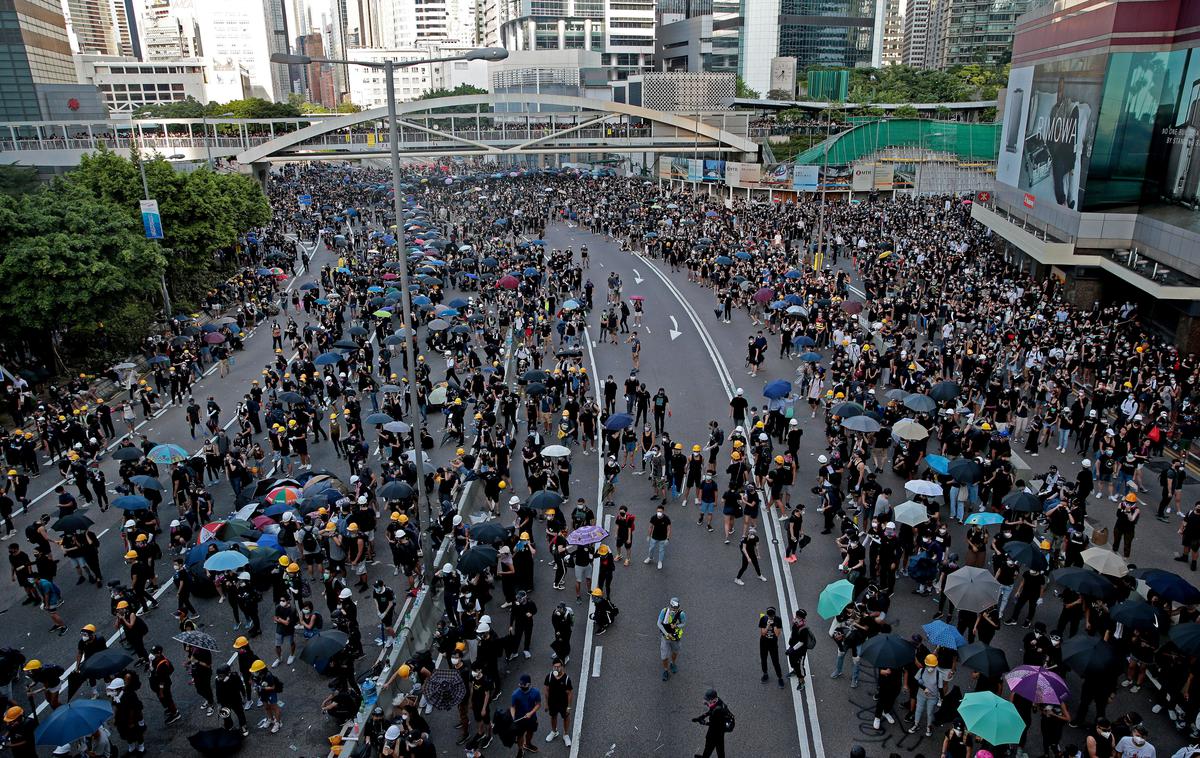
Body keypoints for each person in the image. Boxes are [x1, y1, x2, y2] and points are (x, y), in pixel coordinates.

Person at [907, 654, 947, 738]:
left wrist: (942, 699)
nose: (930, 667)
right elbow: (915, 681)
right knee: (918, 710)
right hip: (921, 695)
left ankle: (928, 727)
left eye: (932, 666)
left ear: (936, 665)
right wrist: (923, 687)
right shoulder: (921, 671)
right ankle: (916, 724)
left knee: (929, 713)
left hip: (932, 697)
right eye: (928, 665)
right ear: (925, 664)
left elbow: (940, 688)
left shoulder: (938, 675)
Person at [691, 688, 732, 758]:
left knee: (709, 746)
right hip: (721, 730)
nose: (706, 701)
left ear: (712, 700)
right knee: (720, 747)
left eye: (707, 700)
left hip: (715, 732)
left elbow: (713, 724)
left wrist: (703, 722)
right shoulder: (718, 701)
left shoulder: (717, 711)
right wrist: (702, 716)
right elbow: (711, 711)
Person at [542, 658, 573, 747]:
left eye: (558, 667)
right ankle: (554, 731)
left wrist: (569, 707)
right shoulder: (549, 676)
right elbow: (546, 690)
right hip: (553, 702)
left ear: (562, 667)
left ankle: (566, 734)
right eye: (555, 667)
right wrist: (547, 704)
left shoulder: (566, 679)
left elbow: (570, 693)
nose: (557, 669)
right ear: (553, 667)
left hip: (563, 703)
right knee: (553, 717)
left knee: (566, 718)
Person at [509, 673, 541, 757]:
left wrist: (531, 713)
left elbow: (538, 704)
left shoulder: (536, 692)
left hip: (531, 718)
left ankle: (528, 744)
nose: (521, 686)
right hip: (519, 719)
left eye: (524, 684)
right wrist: (512, 717)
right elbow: (512, 707)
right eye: (520, 684)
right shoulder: (515, 694)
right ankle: (520, 750)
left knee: (530, 732)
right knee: (520, 736)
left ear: (529, 684)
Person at [785, 608, 816, 690]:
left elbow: (802, 642)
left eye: (798, 616)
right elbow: (793, 634)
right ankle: (795, 671)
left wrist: (791, 649)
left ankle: (801, 682)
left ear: (802, 618)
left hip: (800, 652)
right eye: (796, 615)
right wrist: (790, 646)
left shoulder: (804, 629)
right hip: (793, 648)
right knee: (792, 662)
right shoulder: (795, 624)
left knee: (800, 667)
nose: (796, 617)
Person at [657, 597, 686, 681]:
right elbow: (659, 623)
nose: (674, 609)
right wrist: (666, 634)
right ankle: (666, 670)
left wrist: (676, 626)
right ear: (670, 606)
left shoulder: (681, 614)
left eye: (676, 608)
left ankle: (672, 663)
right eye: (673, 607)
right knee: (664, 656)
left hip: (676, 638)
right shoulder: (664, 611)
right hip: (666, 638)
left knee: (675, 652)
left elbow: (684, 623)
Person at [758, 606, 785, 687]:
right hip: (763, 643)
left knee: (775, 661)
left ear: (774, 615)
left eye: (772, 616)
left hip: (773, 644)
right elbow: (763, 633)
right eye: (769, 615)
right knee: (763, 659)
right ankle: (765, 673)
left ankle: (780, 678)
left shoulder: (778, 620)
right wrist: (768, 626)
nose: (770, 617)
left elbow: (777, 634)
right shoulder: (763, 619)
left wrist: (774, 625)